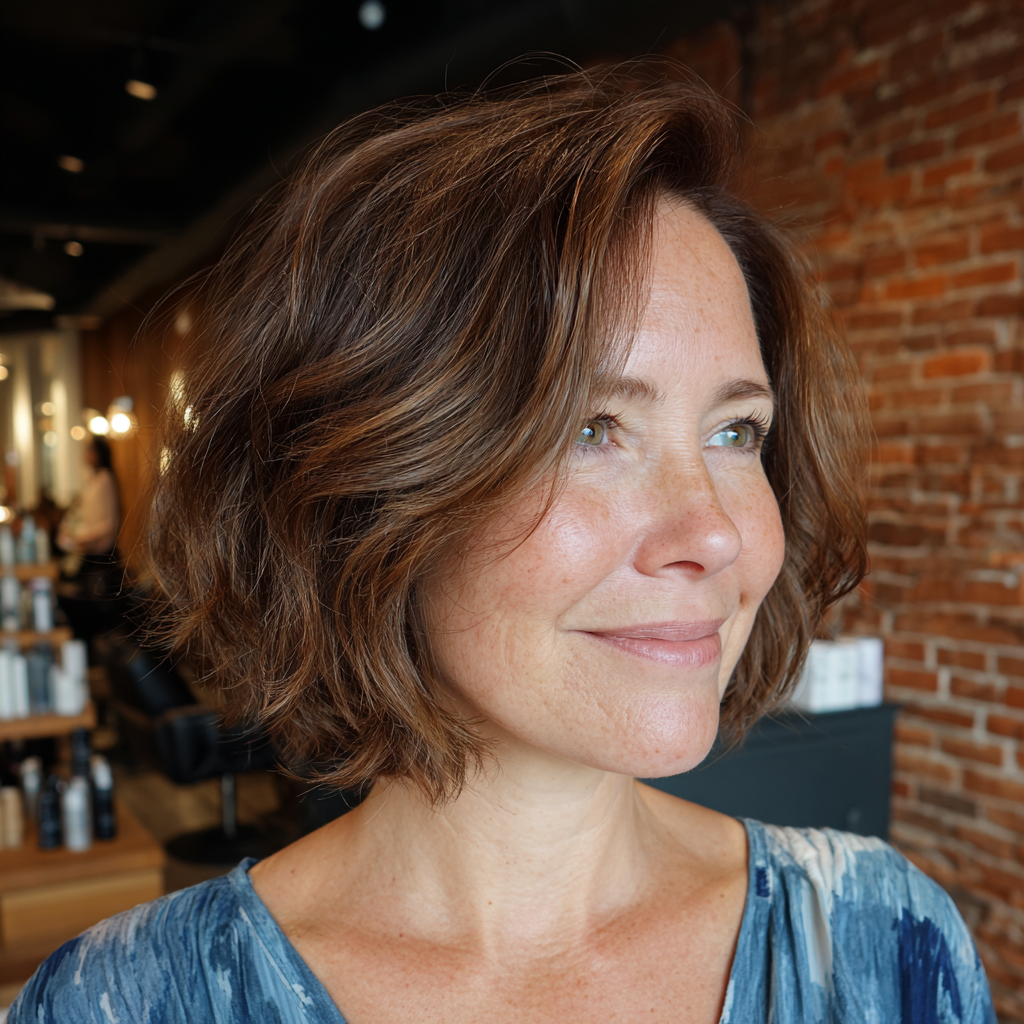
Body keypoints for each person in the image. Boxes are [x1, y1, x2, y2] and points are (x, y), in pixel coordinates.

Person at [11, 66, 994, 1023]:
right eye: (589, 429)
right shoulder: (122, 1002)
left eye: (736, 432)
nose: (713, 531)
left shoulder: (883, 943)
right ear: (369, 493)